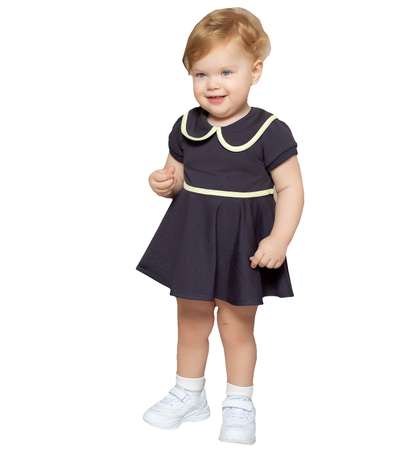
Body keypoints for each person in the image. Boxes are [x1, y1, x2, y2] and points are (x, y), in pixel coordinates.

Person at [136, 7, 304, 445]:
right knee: (191, 320)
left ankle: (239, 401)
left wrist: (279, 239)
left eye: (226, 72)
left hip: (242, 245)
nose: (212, 84)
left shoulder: (269, 130)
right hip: (193, 240)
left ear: (255, 71)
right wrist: (164, 182)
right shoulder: (186, 126)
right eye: (201, 74)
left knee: (235, 325)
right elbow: (177, 177)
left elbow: (291, 189)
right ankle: (189, 392)